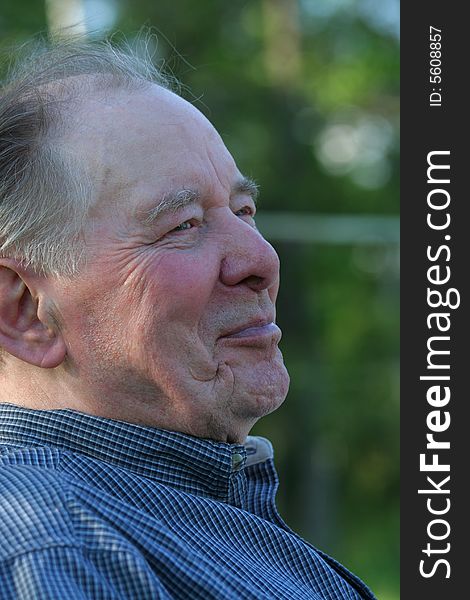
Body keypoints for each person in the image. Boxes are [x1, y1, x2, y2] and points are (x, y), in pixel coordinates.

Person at [0, 37, 376, 599]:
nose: (262, 260)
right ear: (26, 311)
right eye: (183, 225)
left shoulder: (172, 516)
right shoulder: (54, 545)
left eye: (244, 211)